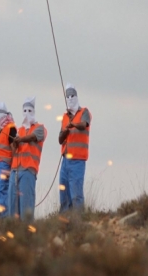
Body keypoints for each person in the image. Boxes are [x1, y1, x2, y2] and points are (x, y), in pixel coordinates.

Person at [8, 97, 47, 221]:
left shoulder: (40, 128)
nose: (27, 113)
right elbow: (13, 151)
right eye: (24, 110)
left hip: (28, 171)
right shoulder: (18, 130)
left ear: (34, 111)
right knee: (12, 208)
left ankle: (27, 235)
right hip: (15, 171)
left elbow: (32, 137)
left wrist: (20, 139)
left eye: (29, 110)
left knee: (26, 208)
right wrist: (14, 143)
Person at [58, 83, 92, 213]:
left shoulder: (84, 112)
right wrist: (65, 131)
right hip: (65, 161)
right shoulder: (65, 117)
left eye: (72, 95)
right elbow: (60, 139)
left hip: (77, 160)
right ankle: (64, 220)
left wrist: (74, 125)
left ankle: (78, 221)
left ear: (77, 96)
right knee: (64, 192)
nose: (70, 98)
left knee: (76, 193)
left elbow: (84, 124)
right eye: (67, 96)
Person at [0, 102, 17, 217]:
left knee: (0, 192)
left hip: (5, 165)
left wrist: (13, 167)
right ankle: (1, 217)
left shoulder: (10, 128)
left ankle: (2, 219)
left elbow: (14, 148)